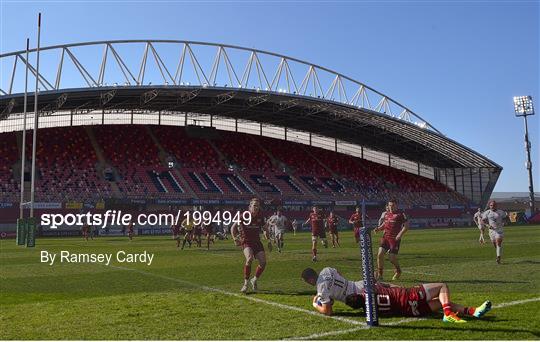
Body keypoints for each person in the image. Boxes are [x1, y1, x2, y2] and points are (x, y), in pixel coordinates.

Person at [301, 267, 492, 323]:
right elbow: (339, 273)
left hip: (402, 308)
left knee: (439, 302)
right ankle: (450, 314)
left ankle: (472, 311)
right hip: (360, 285)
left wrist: (314, 303)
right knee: (442, 288)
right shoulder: (326, 270)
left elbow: (327, 310)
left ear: (310, 281)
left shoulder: (320, 289)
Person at [231, 198, 271, 293]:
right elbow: (233, 227)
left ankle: (254, 280)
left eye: (258, 205)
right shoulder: (244, 216)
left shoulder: (260, 217)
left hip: (257, 242)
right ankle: (245, 284)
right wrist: (235, 239)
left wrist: (269, 240)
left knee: (263, 262)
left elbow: (265, 229)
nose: (256, 207)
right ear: (250, 207)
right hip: (247, 242)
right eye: (254, 205)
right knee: (249, 258)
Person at [374, 200, 409, 281]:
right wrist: (378, 229)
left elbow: (406, 226)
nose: (391, 207)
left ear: (396, 206)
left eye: (393, 205)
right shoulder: (386, 214)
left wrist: (400, 234)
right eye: (390, 205)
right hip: (385, 237)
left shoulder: (401, 214)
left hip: (394, 239)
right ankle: (380, 275)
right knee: (380, 254)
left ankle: (398, 270)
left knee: (391, 258)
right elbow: (385, 224)